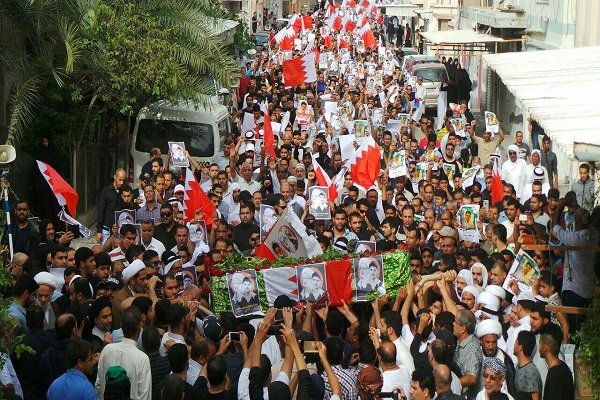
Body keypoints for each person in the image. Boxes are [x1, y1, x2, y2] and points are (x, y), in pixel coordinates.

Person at [95, 306, 152, 400]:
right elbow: (145, 396)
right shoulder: (142, 359)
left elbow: (98, 385)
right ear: (139, 327)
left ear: (121, 325)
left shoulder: (106, 350)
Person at [539, 323, 573, 400]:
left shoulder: (555, 376)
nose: (539, 347)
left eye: (540, 343)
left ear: (545, 348)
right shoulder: (564, 367)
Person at [97, 168, 126, 244]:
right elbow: (101, 210)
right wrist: (99, 231)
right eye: (120, 180)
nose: (122, 182)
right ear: (115, 177)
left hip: (119, 230)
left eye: (123, 180)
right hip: (106, 230)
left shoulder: (123, 192)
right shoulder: (106, 191)